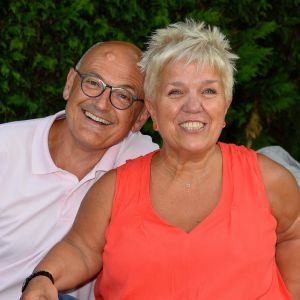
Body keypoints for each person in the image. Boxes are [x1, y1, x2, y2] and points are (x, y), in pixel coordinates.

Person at [20, 20, 300, 300]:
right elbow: (81, 248)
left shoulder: (269, 180)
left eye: (209, 91)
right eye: (175, 92)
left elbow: (293, 236)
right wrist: (43, 277)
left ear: (225, 105)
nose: (193, 106)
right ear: (152, 109)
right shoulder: (113, 189)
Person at [0, 41, 159, 300]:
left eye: (122, 95)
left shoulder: (142, 162)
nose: (102, 104)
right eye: (93, 83)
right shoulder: (5, 150)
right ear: (70, 83)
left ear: (140, 118)